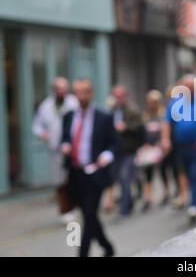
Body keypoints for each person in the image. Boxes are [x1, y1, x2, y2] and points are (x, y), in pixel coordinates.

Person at [61, 79, 116, 257]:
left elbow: (114, 143)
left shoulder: (104, 116)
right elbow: (65, 138)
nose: (81, 96)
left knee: (89, 214)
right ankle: (107, 246)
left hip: (95, 172)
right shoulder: (68, 116)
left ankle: (82, 254)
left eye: (84, 92)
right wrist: (65, 145)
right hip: (75, 173)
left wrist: (106, 156)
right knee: (88, 214)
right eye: (77, 92)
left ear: (91, 93)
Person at [161, 75, 196, 223]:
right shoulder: (175, 103)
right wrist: (165, 140)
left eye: (192, 86)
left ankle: (194, 204)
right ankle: (194, 199)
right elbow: (167, 123)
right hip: (181, 146)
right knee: (184, 173)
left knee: (195, 173)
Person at [32, 77, 79, 224]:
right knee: (60, 181)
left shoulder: (73, 102)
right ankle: (65, 210)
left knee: (74, 179)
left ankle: (75, 206)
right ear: (54, 90)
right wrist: (43, 134)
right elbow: (36, 126)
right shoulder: (46, 106)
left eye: (64, 89)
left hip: (73, 148)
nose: (62, 92)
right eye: (59, 89)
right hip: (56, 150)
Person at [108, 85, 144, 217]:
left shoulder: (132, 110)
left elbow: (140, 127)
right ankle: (130, 200)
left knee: (125, 177)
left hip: (129, 149)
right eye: (116, 96)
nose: (118, 99)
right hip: (117, 150)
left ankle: (125, 208)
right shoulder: (112, 110)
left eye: (120, 96)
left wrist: (126, 127)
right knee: (120, 177)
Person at [140, 90, 170, 211]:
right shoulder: (146, 115)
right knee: (147, 173)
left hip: (160, 148)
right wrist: (145, 143)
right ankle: (148, 197)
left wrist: (161, 142)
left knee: (163, 171)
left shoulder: (163, 114)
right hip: (148, 149)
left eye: (153, 102)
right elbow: (142, 131)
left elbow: (165, 129)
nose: (151, 105)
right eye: (149, 102)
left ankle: (166, 193)